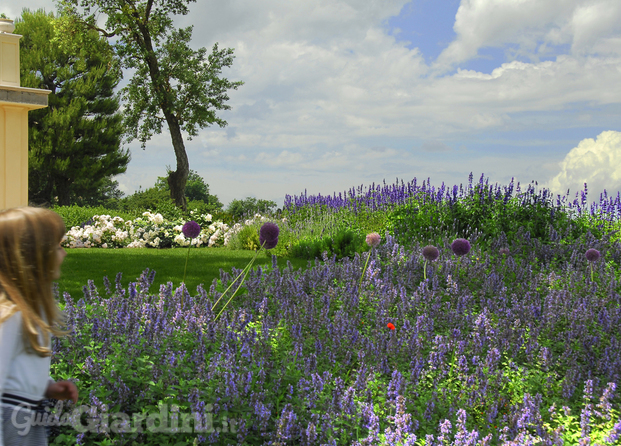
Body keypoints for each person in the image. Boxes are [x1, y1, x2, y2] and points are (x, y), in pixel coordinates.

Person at [0, 207, 78, 446]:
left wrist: (45, 387)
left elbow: (15, 374)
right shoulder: (11, 318)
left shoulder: (28, 313)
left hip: (26, 417)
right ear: (34, 257)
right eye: (57, 247)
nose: (64, 253)